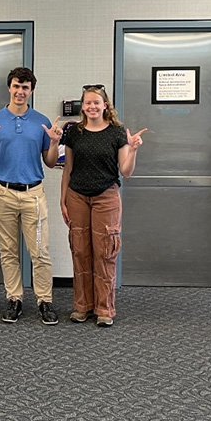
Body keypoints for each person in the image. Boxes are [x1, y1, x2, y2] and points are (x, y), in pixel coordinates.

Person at [0, 67, 62, 325]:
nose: (20, 91)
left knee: (40, 251)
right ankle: (13, 298)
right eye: (16, 86)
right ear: (10, 88)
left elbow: (49, 163)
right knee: (8, 251)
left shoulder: (42, 122)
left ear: (31, 91)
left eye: (25, 87)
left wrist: (54, 143)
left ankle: (44, 301)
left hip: (33, 194)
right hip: (2, 192)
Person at [59, 85, 146, 327]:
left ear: (105, 105)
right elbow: (68, 169)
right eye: (87, 103)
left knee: (105, 252)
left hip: (106, 196)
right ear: (82, 106)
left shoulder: (117, 133)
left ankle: (104, 309)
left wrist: (134, 150)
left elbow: (126, 172)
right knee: (80, 251)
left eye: (97, 102)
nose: (92, 106)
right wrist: (62, 199)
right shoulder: (74, 132)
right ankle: (82, 307)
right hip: (77, 196)